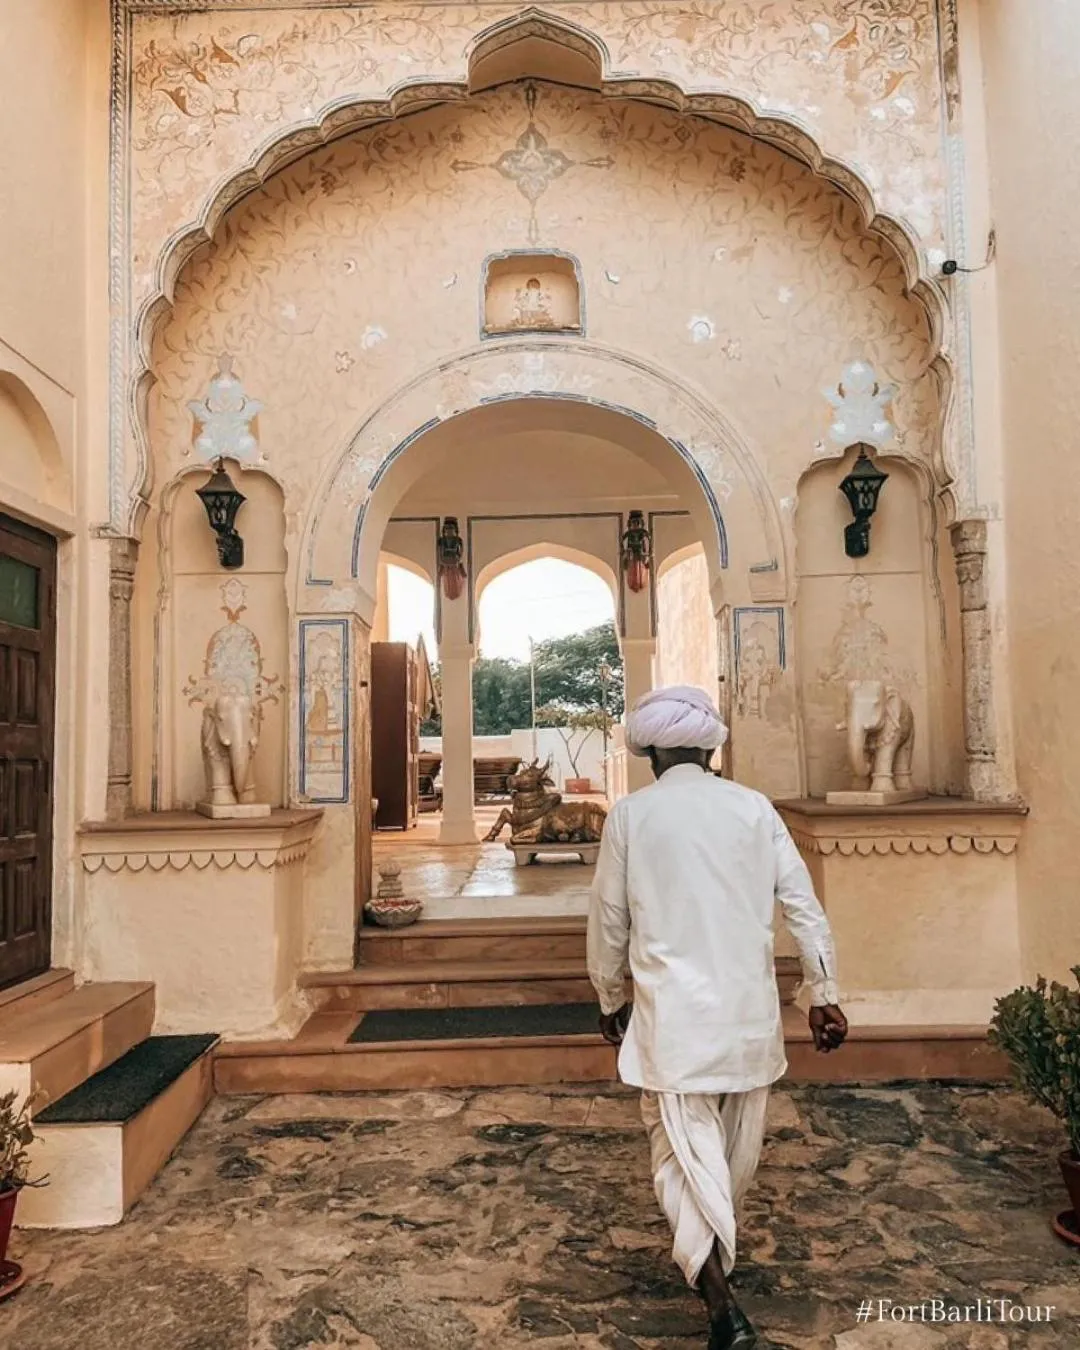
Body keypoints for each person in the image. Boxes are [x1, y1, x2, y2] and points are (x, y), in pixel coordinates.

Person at [587, 685, 848, 1350]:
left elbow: (609, 921)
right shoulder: (754, 810)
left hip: (672, 1023)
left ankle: (718, 1296)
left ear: (650, 753)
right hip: (745, 1020)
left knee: (684, 1160)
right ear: (709, 748)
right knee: (726, 1160)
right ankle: (718, 1298)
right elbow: (802, 903)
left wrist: (609, 996)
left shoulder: (632, 816)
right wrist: (822, 991)